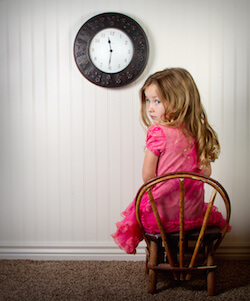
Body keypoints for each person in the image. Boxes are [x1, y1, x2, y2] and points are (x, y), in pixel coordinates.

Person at [111, 68, 231, 255]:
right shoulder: (196, 132)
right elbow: (206, 174)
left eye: (157, 101)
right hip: (193, 214)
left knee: (142, 204)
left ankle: (163, 256)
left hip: (162, 217)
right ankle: (179, 256)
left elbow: (148, 176)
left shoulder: (158, 132)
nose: (150, 107)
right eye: (148, 100)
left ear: (179, 101)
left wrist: (169, 182)